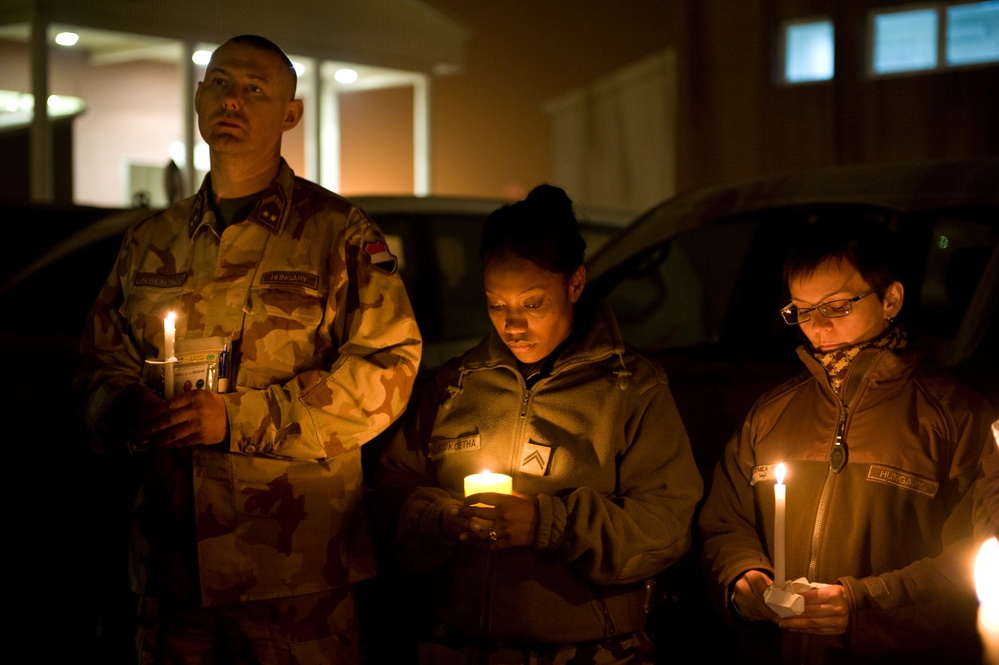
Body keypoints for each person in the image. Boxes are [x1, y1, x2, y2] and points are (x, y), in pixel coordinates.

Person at [74, 34, 421, 664]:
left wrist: (236, 419)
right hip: (171, 569)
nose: (232, 100)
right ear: (198, 98)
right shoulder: (152, 240)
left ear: (291, 114)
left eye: (254, 89)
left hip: (292, 574)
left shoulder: (337, 234)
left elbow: (387, 370)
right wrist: (123, 410)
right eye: (220, 83)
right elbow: (100, 361)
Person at [371, 184, 702, 664]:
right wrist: (438, 519)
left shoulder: (632, 388)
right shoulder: (456, 384)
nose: (513, 325)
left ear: (575, 283)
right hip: (459, 646)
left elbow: (666, 526)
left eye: (532, 303)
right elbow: (388, 492)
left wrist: (547, 524)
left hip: (586, 650)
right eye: (496, 304)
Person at [698, 218, 996, 664]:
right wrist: (744, 578)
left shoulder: (956, 418)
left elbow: (979, 555)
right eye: (801, 310)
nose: (816, 326)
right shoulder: (771, 413)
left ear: (890, 299)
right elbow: (725, 522)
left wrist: (861, 603)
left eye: (836, 307)